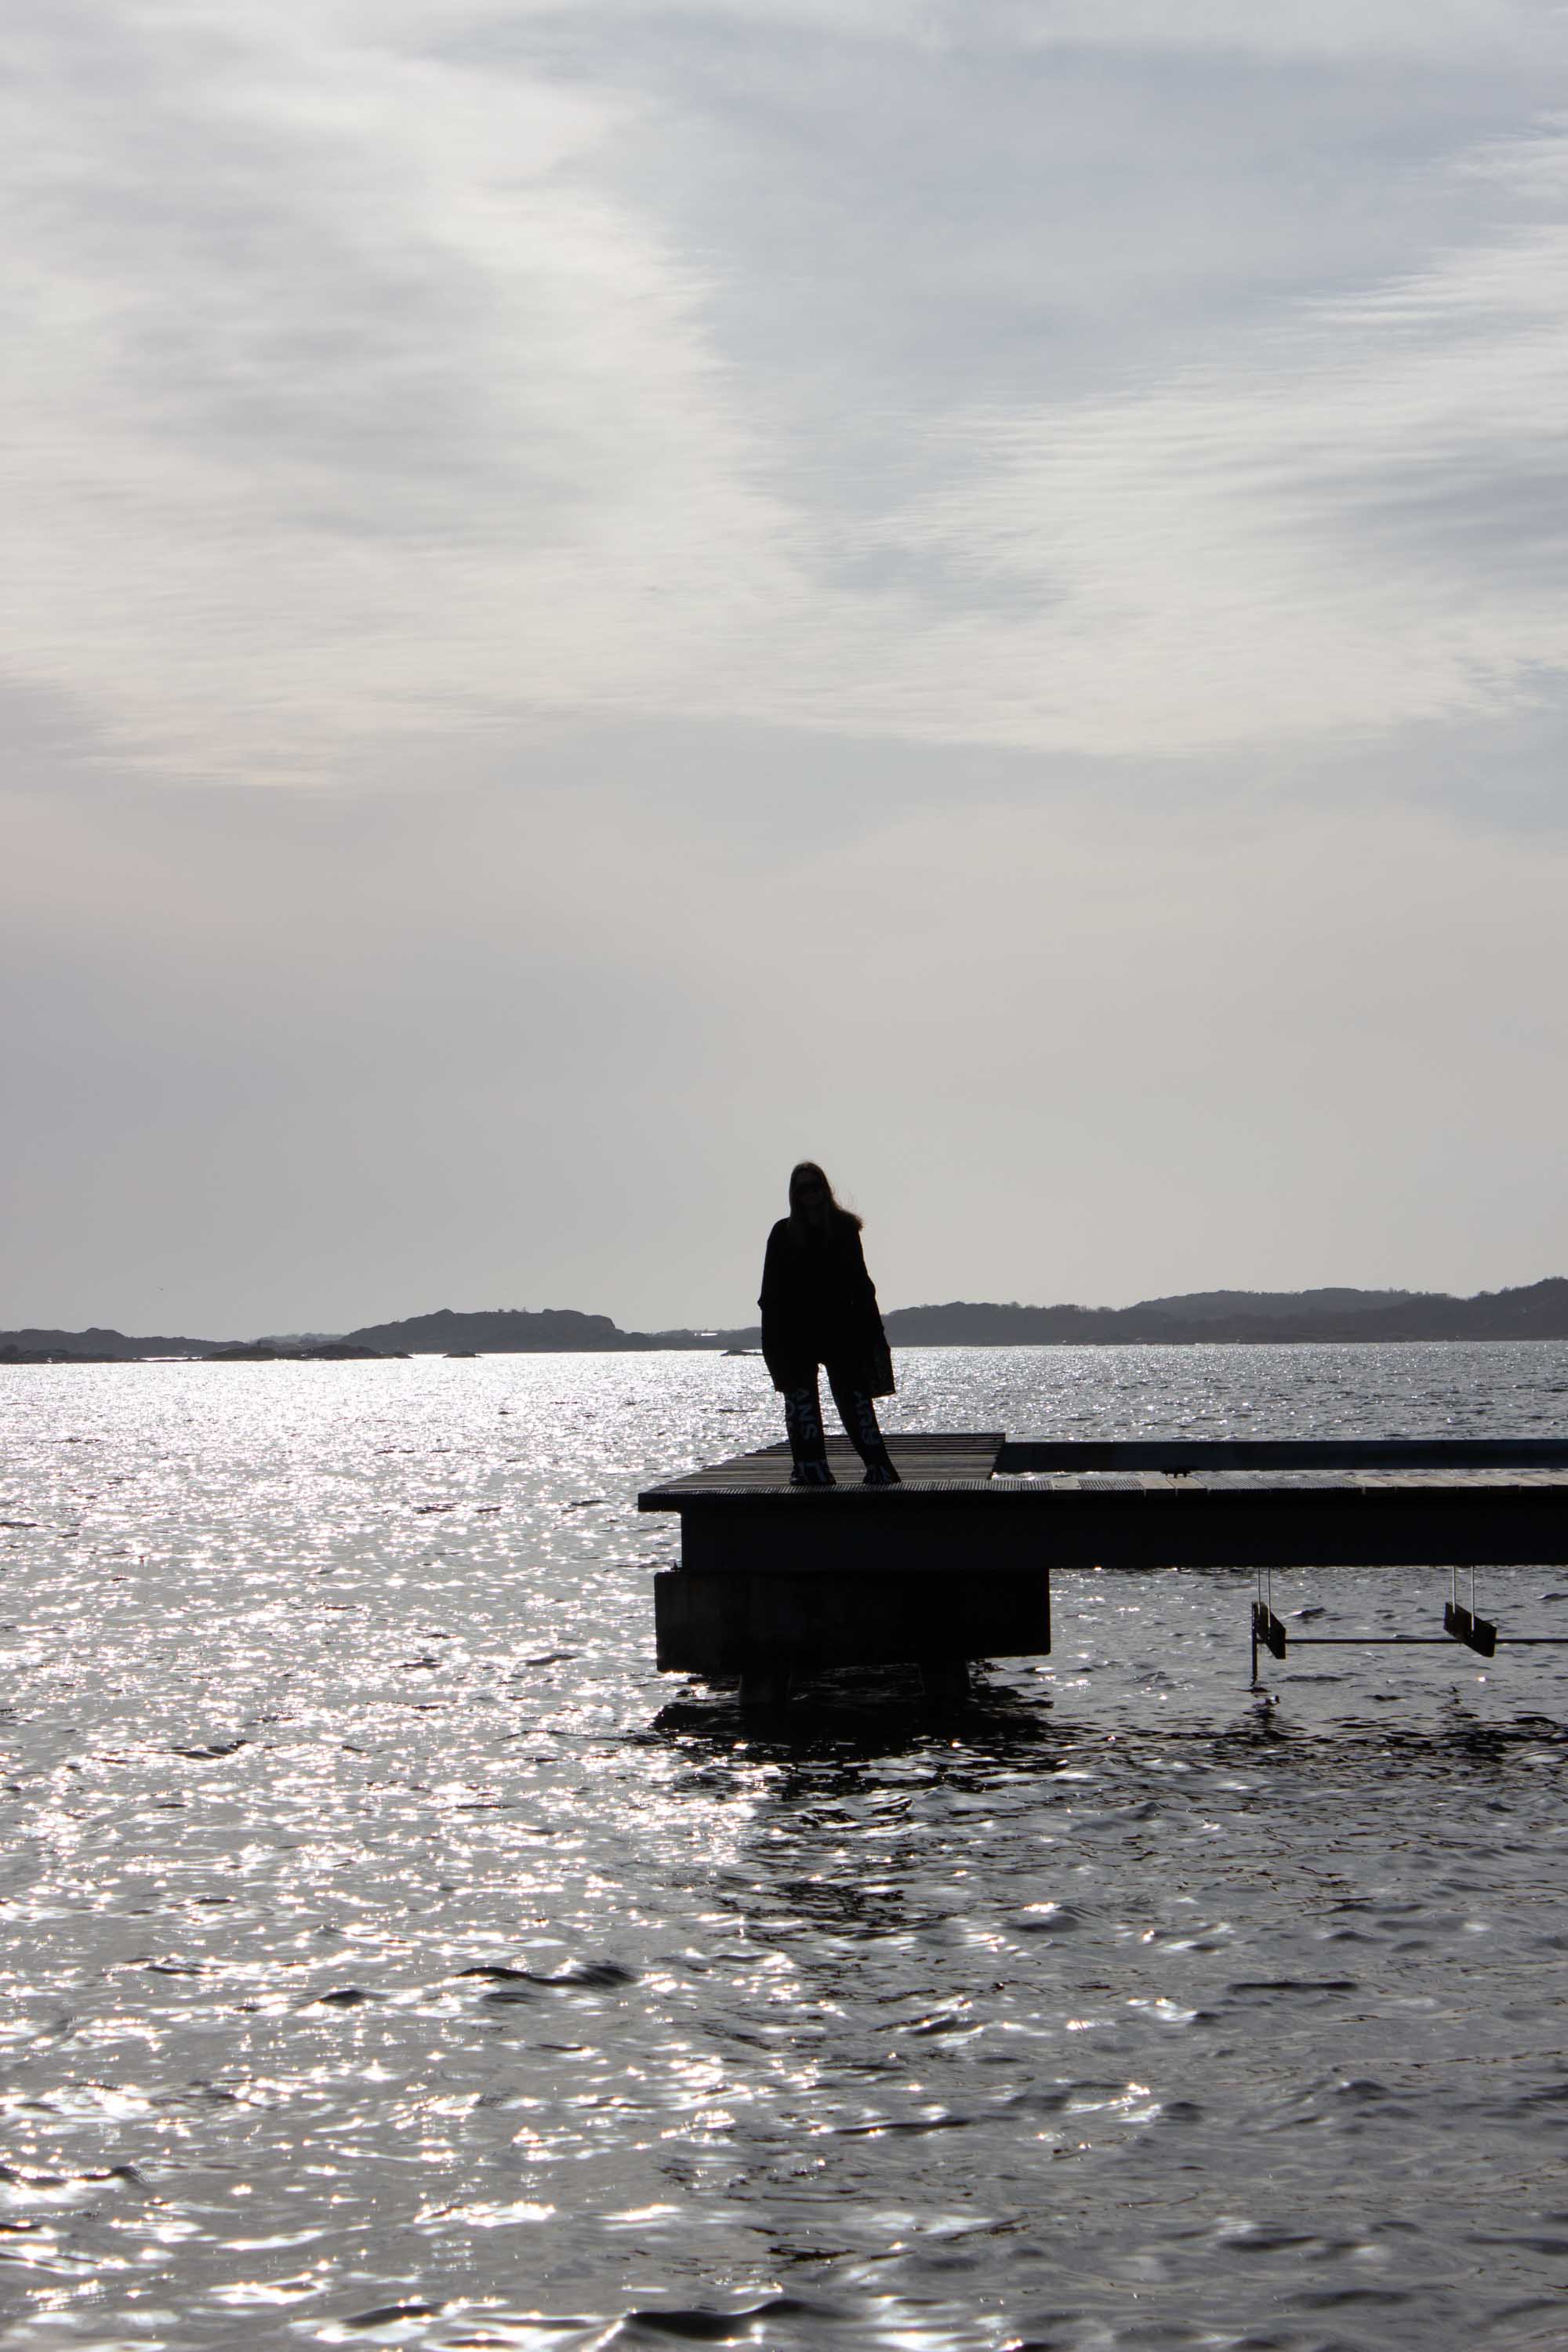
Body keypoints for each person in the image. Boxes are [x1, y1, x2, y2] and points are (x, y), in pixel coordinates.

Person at [758, 1163, 901, 1486]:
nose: (809, 1194)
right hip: (796, 1333)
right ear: (794, 1195)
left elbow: (861, 1284)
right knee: (801, 1405)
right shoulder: (782, 1232)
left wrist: (874, 1332)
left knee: (855, 1403)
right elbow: (771, 1292)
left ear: (825, 1189)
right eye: (802, 1188)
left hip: (842, 1331)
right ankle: (812, 1469)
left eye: (814, 1186)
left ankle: (878, 1468)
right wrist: (771, 1344)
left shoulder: (844, 1228)